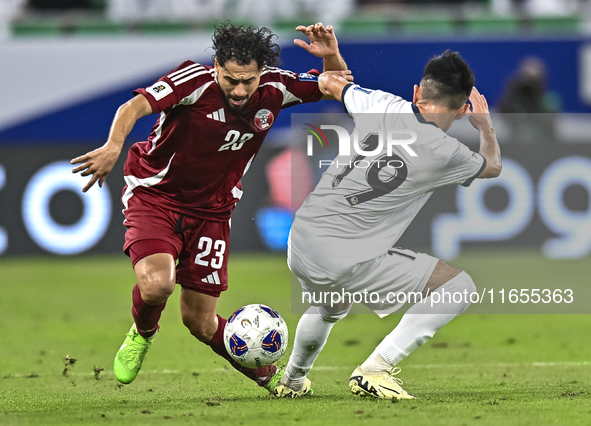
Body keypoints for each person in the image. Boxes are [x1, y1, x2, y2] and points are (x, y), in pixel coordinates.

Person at [70, 21, 349, 390]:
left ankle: (267, 376)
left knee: (200, 321)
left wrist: (330, 55)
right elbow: (134, 105)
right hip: (156, 196)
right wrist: (112, 146)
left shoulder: (276, 87)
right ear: (216, 65)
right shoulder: (193, 81)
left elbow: (334, 86)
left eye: (247, 80)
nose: (238, 89)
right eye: (230, 78)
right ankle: (142, 333)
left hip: (212, 212)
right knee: (158, 286)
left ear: (260, 73)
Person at [273, 50, 502, 399]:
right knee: (459, 287)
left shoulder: (380, 103)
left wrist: (332, 54)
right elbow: (492, 166)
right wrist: (484, 124)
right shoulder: (447, 152)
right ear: (460, 111)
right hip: (342, 257)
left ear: (416, 93)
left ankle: (291, 381)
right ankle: (376, 369)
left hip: (301, 238)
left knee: (331, 303)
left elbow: (332, 83)